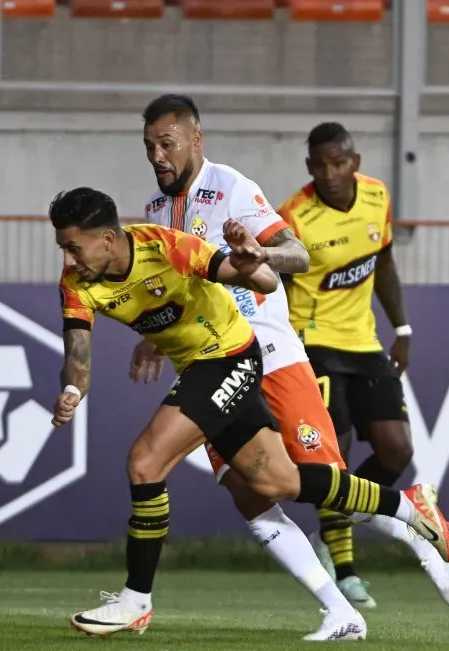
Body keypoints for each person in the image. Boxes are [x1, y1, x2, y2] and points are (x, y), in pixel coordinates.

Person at [49, 186, 449, 641]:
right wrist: (72, 387)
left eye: (73, 247)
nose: (68, 260)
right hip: (200, 368)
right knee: (276, 483)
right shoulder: (77, 284)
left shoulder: (166, 247)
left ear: (106, 239)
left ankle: (136, 600)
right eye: (63, 248)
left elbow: (263, 283)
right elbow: (78, 354)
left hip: (230, 358)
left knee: (145, 461)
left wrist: (248, 258)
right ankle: (407, 505)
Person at [134, 93, 375, 611]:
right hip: (214, 365)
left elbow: (299, 254)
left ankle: (415, 521)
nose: (157, 155)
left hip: (270, 355)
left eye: (167, 143)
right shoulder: (157, 211)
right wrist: (151, 337)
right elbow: (181, 291)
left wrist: (259, 252)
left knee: (328, 488)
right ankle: (341, 611)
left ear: (196, 138)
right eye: (150, 145)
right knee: (249, 493)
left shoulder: (232, 187)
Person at [278, 122, 449, 607]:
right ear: (309, 168)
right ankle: (344, 569)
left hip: (364, 342)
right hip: (313, 343)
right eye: (319, 165)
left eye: (338, 163)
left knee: (396, 450)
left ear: (355, 163)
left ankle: (336, 525)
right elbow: (270, 285)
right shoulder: (294, 218)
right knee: (333, 457)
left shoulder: (376, 197)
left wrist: (402, 329)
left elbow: (381, 264)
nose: (330, 173)